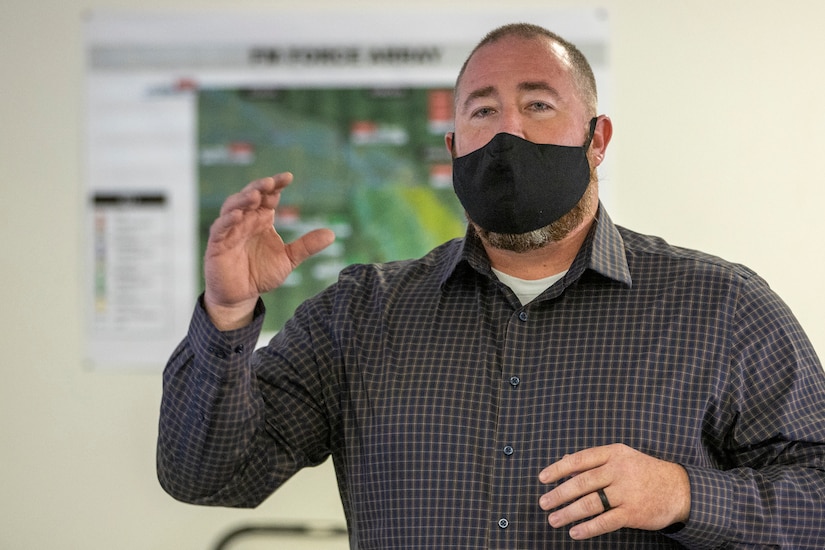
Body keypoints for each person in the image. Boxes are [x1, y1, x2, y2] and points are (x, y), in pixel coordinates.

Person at [157, 23, 825, 548]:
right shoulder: (358, 317)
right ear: (452, 150)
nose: (508, 130)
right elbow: (207, 474)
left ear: (597, 141)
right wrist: (228, 309)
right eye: (482, 111)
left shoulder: (722, 308)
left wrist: (683, 496)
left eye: (537, 103)